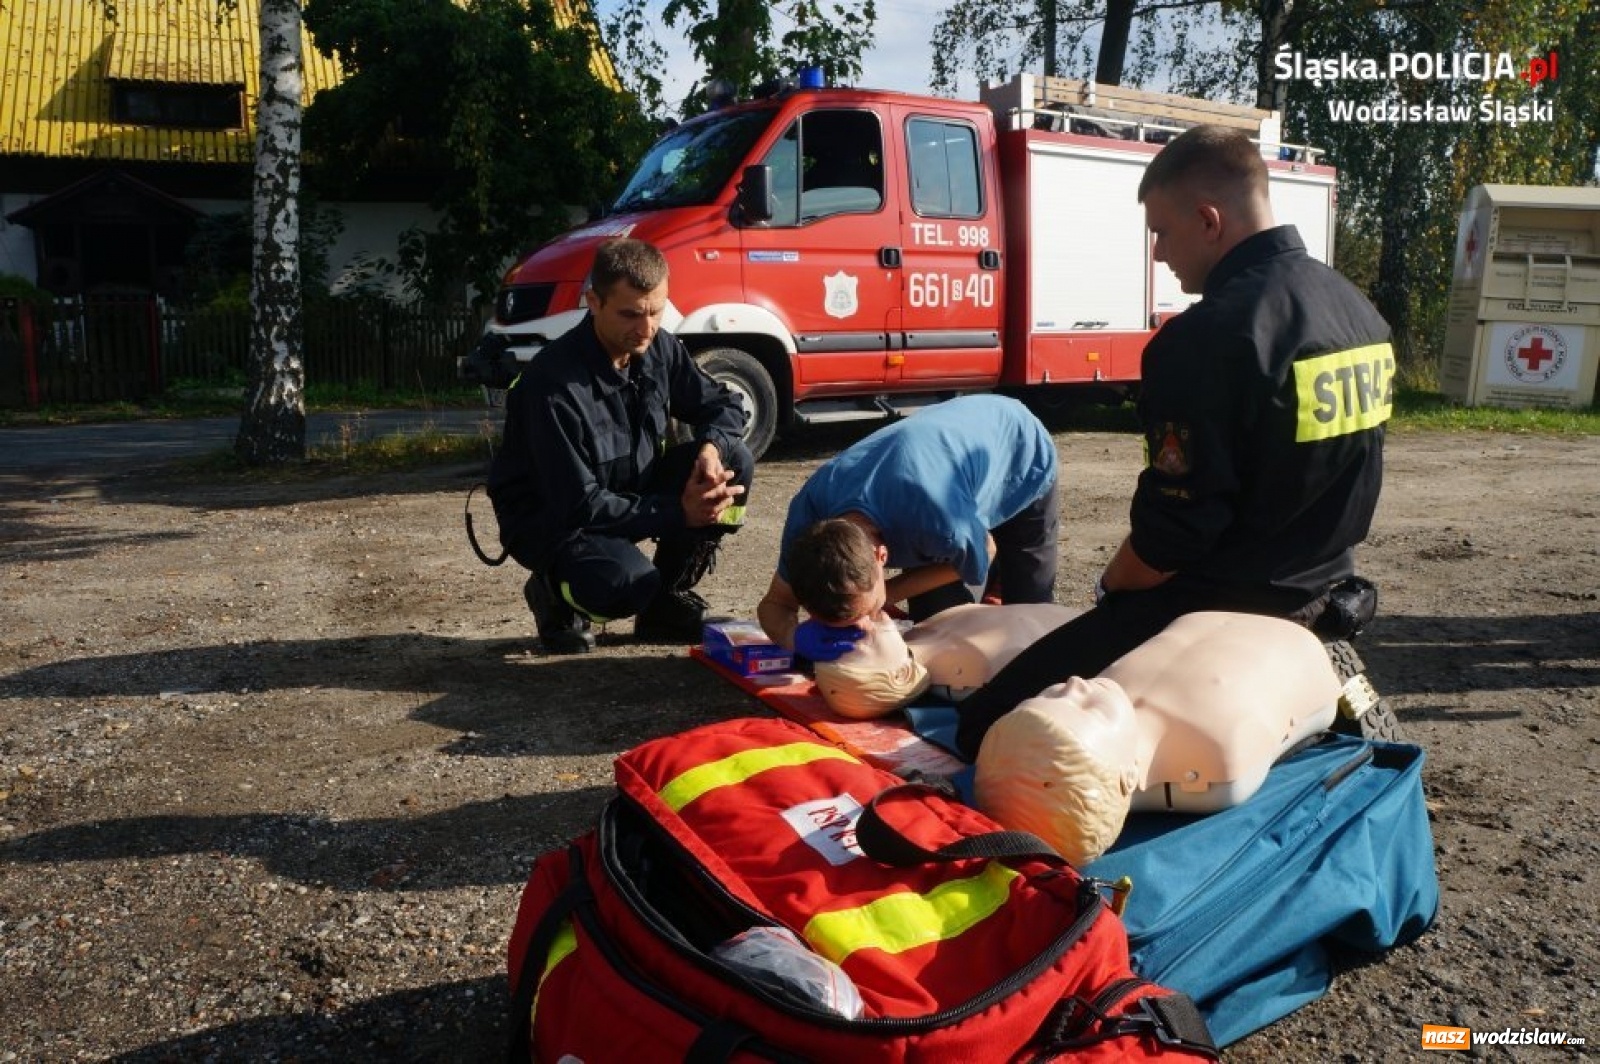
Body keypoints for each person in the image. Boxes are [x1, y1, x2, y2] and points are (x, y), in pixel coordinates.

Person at [952, 124, 1394, 754]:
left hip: (1224, 599)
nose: (1158, 253)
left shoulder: (1204, 341)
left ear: (1208, 220)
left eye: (1161, 231)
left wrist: (1112, 588)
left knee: (988, 724)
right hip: (1326, 580)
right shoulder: (1357, 311)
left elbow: (1173, 538)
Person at [810, 606, 1342, 864]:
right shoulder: (1215, 752)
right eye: (1081, 703)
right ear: (1123, 780)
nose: (1072, 683)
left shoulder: (1130, 731)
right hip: (1296, 641)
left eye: (1052, 694)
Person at [487, 238, 754, 654]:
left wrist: (711, 448)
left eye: (656, 311)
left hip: (627, 489)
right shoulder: (553, 386)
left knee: (736, 458)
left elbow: (724, 404)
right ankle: (552, 593)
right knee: (626, 585)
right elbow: (579, 504)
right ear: (594, 302)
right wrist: (677, 512)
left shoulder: (658, 347)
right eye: (630, 314)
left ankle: (667, 602)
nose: (645, 328)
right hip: (556, 519)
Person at [756, 394, 1059, 660]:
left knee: (1030, 625)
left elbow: (987, 548)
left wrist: (889, 595)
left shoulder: (937, 519)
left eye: (860, 616)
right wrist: (792, 638)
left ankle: (997, 579)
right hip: (941, 470)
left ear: (882, 556)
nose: (861, 626)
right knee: (934, 627)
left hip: (1018, 449)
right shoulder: (808, 519)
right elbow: (774, 605)